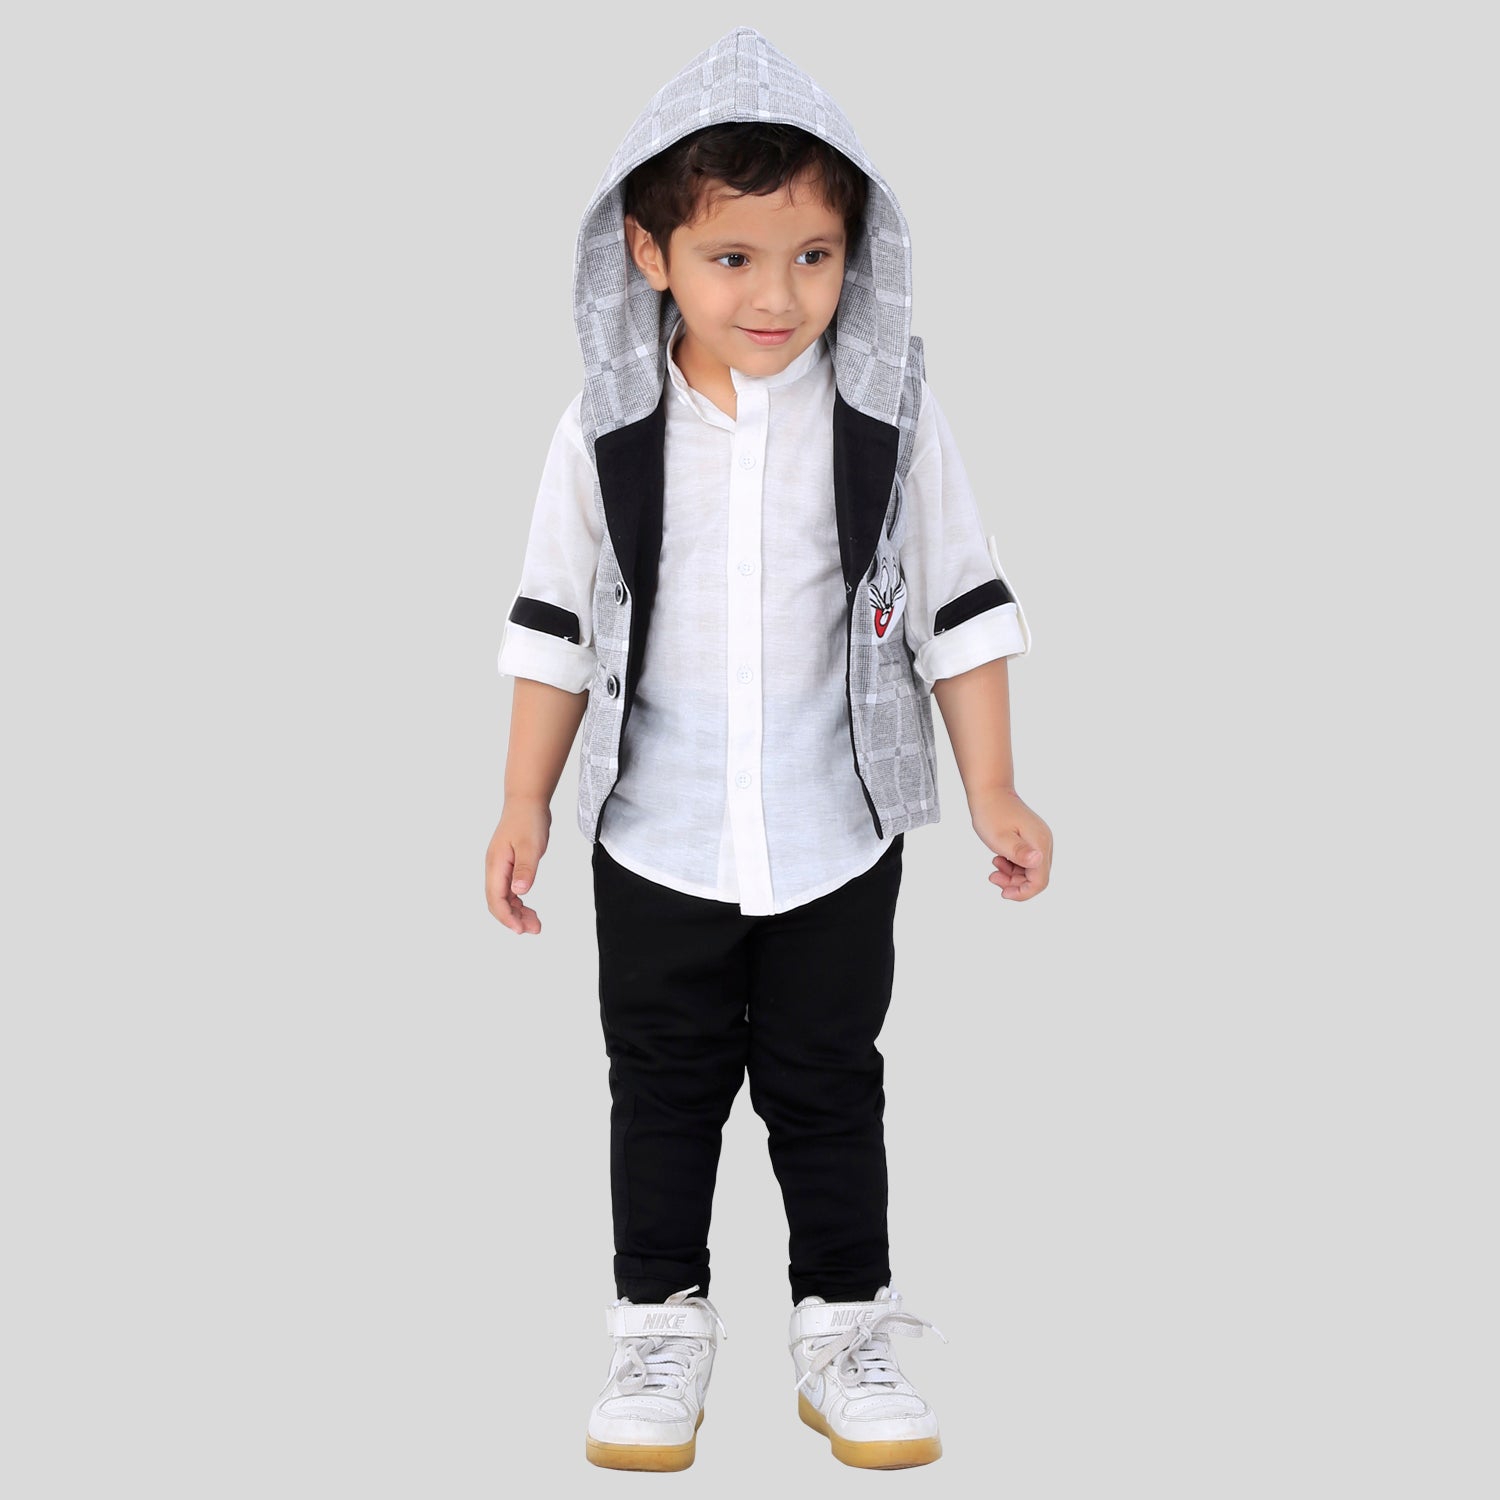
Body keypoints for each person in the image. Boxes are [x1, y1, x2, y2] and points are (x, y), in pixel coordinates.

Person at [485, 25, 1053, 1474]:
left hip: (833, 835)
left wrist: (991, 784)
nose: (778, 294)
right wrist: (523, 799)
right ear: (650, 254)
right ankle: (656, 1336)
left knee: (830, 1083)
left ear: (858, 253)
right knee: (660, 1088)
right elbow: (557, 619)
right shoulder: (607, 428)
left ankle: (845, 1332)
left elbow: (958, 601)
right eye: (732, 257)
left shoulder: (888, 418)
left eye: (814, 255)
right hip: (656, 836)